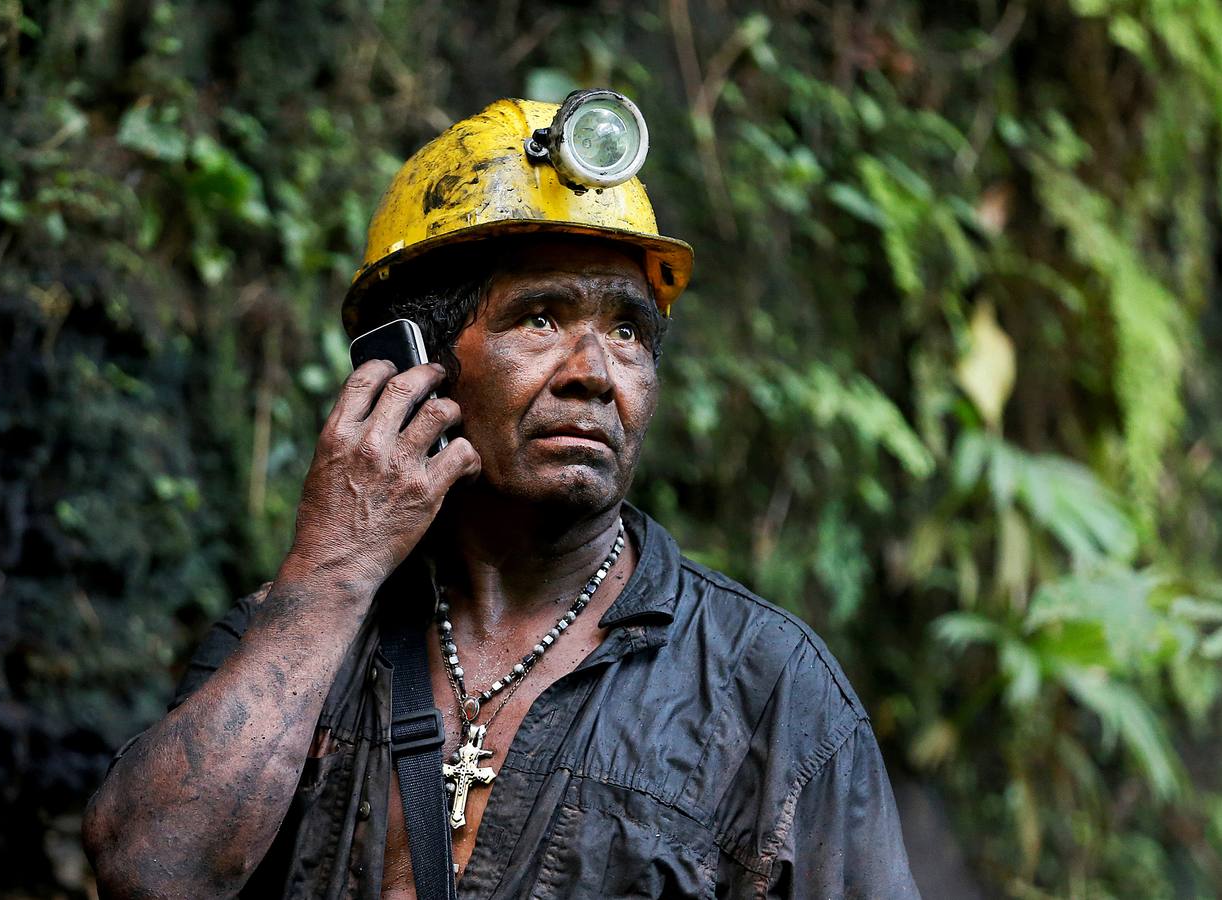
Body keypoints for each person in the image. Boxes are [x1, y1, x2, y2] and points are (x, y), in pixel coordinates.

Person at [82, 93, 919, 899]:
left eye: (627, 331)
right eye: (541, 318)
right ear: (416, 368)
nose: (595, 374)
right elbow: (151, 875)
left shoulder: (768, 690)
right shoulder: (292, 636)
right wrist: (334, 570)